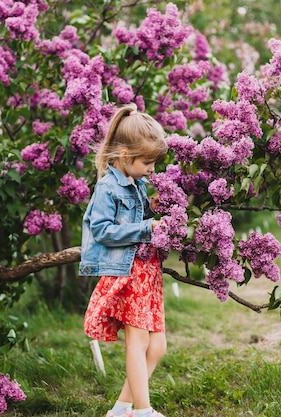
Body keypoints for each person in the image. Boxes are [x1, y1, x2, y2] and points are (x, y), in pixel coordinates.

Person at [80, 103, 168, 417]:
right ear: (126, 156)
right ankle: (142, 411)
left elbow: (142, 220)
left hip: (148, 273)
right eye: (147, 162)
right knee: (138, 341)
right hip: (128, 273)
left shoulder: (139, 185)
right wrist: (147, 227)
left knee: (157, 347)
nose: (152, 170)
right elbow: (102, 230)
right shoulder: (107, 188)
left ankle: (120, 410)